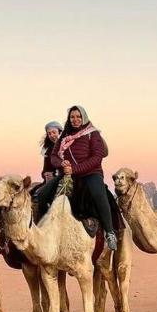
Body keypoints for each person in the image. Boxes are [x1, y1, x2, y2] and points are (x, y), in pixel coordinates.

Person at [37, 105, 117, 251]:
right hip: (67, 174)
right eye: (72, 117)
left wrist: (75, 169)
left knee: (99, 194)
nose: (75, 120)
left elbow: (97, 158)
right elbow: (54, 156)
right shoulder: (64, 136)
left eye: (78, 117)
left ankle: (110, 232)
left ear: (84, 117)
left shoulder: (92, 134)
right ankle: (42, 233)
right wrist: (61, 163)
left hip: (90, 173)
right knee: (41, 195)